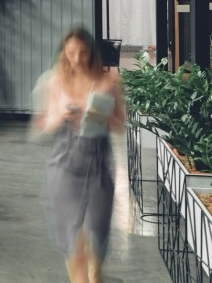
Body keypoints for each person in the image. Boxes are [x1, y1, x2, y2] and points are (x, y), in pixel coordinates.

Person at [32, 27, 125, 283]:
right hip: (64, 160)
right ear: (64, 52)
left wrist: (103, 116)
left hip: (98, 159)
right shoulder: (55, 80)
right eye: (71, 52)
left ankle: (96, 274)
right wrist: (61, 115)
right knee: (72, 236)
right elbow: (42, 124)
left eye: (83, 53)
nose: (76, 59)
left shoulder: (109, 82)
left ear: (91, 53)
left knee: (98, 230)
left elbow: (119, 123)